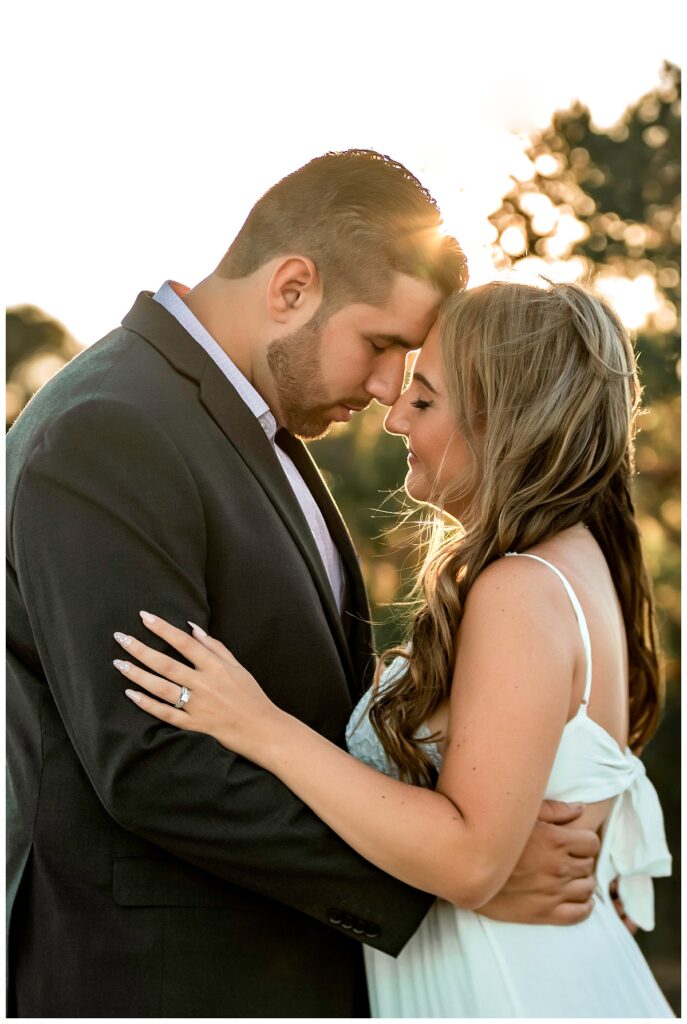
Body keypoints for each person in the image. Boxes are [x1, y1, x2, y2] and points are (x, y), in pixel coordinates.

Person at [7, 151, 600, 1019]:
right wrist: (446, 886)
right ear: (291, 286)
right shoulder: (112, 425)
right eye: (382, 344)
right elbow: (152, 760)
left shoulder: (247, 424)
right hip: (170, 984)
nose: (386, 389)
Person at [117, 280, 673, 1017]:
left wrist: (256, 725)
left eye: (424, 399)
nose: (394, 419)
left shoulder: (518, 589)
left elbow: (471, 859)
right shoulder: (577, 564)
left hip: (504, 991)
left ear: (503, 420)